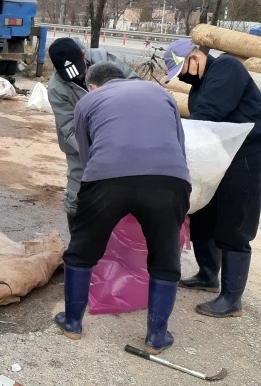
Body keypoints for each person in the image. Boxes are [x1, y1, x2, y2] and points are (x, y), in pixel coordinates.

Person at [55, 62, 191, 353]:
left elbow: (86, 151)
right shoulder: (161, 93)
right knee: (165, 259)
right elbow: (180, 143)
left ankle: (73, 323)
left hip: (107, 179)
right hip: (169, 180)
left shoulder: (88, 100)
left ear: (93, 85)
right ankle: (156, 336)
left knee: (81, 251)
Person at [163, 37, 261, 317]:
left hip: (246, 155)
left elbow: (209, 114)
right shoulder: (200, 85)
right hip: (219, 155)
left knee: (235, 222)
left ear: (194, 58)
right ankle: (208, 274)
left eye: (182, 71)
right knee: (204, 214)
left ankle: (232, 299)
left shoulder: (227, 68)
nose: (183, 77)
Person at [47, 37, 137, 231]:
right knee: (77, 193)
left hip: (120, 134)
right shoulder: (56, 87)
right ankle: (77, 246)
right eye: (71, 76)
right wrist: (96, 153)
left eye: (81, 71)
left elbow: (136, 86)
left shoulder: (106, 60)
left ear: (83, 54)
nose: (79, 77)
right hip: (80, 145)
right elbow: (70, 128)